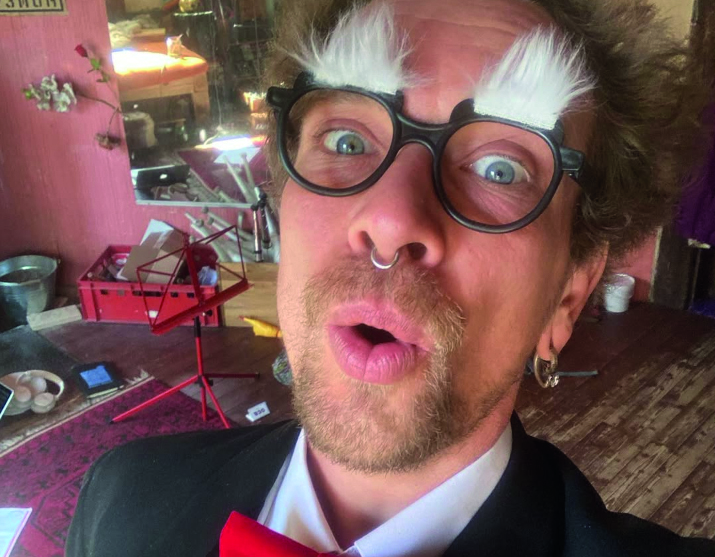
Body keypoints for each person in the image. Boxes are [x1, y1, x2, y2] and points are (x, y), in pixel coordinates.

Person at [66, 0, 715, 555]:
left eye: (500, 169)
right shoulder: (118, 501)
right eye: (347, 141)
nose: (390, 219)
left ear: (569, 292)